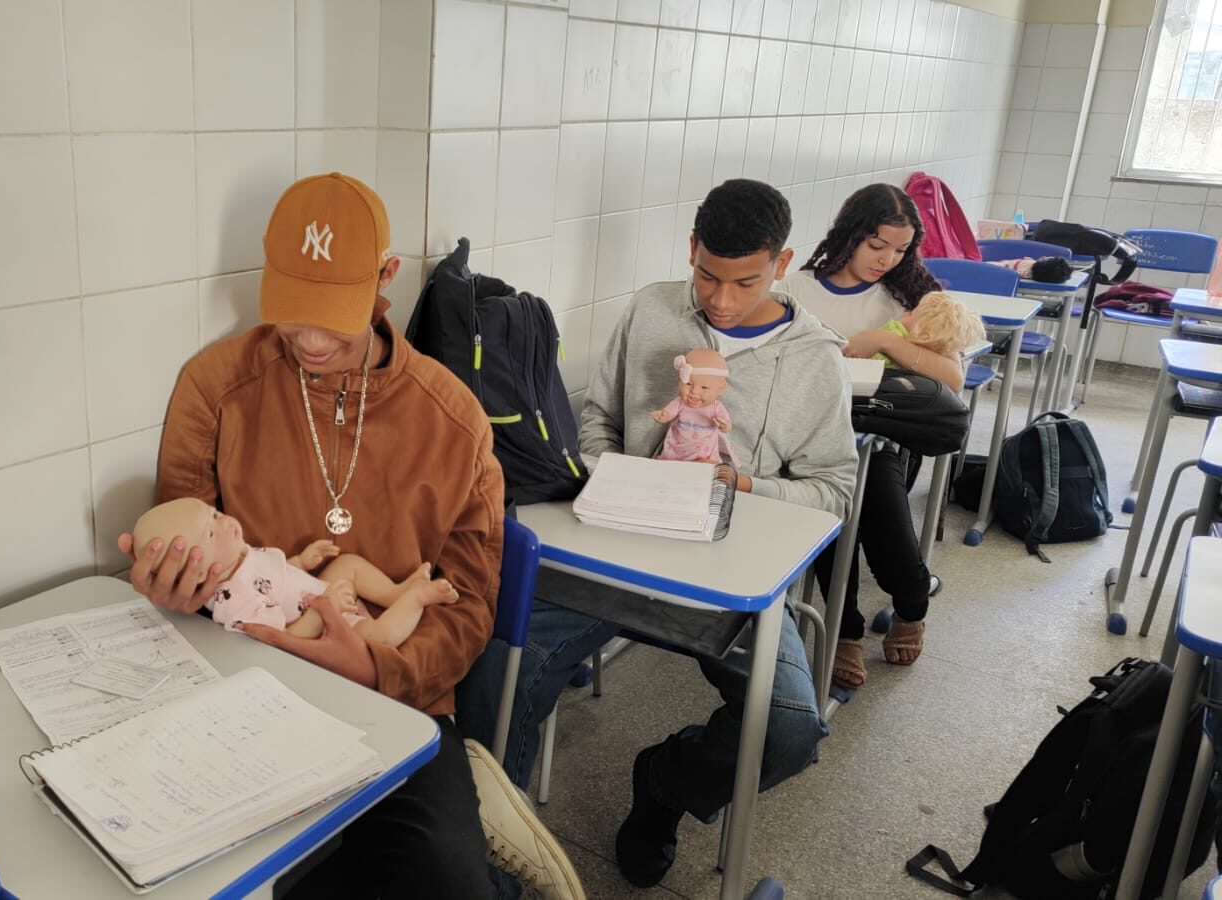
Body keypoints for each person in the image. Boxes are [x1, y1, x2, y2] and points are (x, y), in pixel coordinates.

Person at [115, 172, 583, 900]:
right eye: (290, 311)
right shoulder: (217, 386)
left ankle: (473, 817)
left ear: (386, 277)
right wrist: (171, 584)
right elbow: (189, 545)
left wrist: (374, 668)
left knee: (442, 881)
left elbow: (466, 607)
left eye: (330, 317)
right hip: (244, 697)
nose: (307, 340)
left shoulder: (451, 419)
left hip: (396, 704)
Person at [456, 179, 857, 888]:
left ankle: (665, 787)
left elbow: (833, 492)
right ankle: (496, 860)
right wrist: (610, 471)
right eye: (707, 275)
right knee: (496, 667)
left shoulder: (814, 357)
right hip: (614, 555)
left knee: (790, 730)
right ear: (692, 248)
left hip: (728, 585)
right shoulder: (651, 308)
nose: (721, 300)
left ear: (783, 263)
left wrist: (741, 486)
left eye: (746, 282)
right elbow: (598, 419)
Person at [781, 182, 965, 689]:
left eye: (900, 249)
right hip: (811, 437)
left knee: (883, 517)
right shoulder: (796, 289)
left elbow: (952, 379)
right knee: (829, 516)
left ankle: (912, 602)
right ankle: (844, 630)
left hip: (881, 433)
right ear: (849, 235)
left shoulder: (911, 295)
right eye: (877, 245)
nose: (887, 260)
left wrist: (885, 340)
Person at [130, 496, 458, 647]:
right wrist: (325, 610)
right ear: (197, 574)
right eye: (211, 533)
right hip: (323, 622)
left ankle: (395, 592)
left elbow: (274, 578)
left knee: (348, 565)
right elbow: (285, 638)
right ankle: (416, 599)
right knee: (379, 637)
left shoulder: (240, 556)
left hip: (318, 593)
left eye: (215, 513)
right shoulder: (235, 602)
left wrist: (301, 562)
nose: (226, 522)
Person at [650, 347, 737, 465]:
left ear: (721, 388)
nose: (694, 391)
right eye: (688, 384)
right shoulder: (680, 402)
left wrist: (724, 425)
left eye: (704, 387)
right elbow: (669, 413)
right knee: (668, 463)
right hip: (677, 450)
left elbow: (727, 425)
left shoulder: (716, 407)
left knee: (707, 466)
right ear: (679, 381)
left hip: (704, 454)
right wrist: (663, 416)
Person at [868, 290, 986, 364]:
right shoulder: (935, 359)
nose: (904, 312)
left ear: (919, 333)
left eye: (911, 313)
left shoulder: (893, 333)